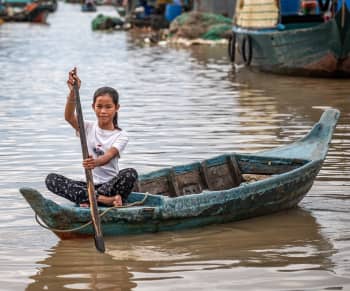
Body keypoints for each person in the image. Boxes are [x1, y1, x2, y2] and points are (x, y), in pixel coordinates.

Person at [45, 68, 138, 207]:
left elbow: (109, 155)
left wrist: (95, 162)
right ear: (93, 107)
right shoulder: (87, 127)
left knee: (130, 173)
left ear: (116, 108)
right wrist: (73, 93)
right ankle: (103, 200)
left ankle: (88, 199)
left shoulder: (121, 135)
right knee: (51, 179)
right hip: (87, 185)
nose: (103, 111)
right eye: (99, 106)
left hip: (109, 186)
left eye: (108, 107)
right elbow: (69, 117)